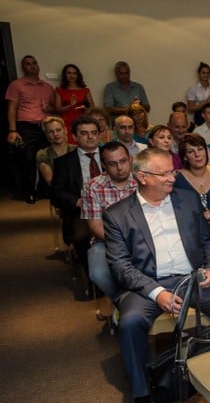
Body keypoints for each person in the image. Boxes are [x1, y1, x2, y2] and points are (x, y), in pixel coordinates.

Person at [103, 148, 210, 403]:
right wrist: (156, 293)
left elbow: (208, 241)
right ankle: (143, 398)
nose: (172, 177)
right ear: (142, 177)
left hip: (192, 278)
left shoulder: (187, 200)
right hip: (146, 284)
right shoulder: (117, 214)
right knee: (130, 323)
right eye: (165, 173)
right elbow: (120, 266)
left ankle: (180, 372)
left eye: (172, 171)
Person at [81, 141, 138, 304]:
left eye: (123, 161)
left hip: (141, 239)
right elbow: (96, 227)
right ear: (104, 165)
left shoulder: (142, 180)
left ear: (130, 159)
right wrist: (123, 243)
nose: (119, 168)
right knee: (98, 273)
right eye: (112, 164)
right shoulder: (93, 187)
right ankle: (121, 300)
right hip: (105, 242)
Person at [50, 115, 102, 257]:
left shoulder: (110, 156)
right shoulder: (64, 162)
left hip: (113, 208)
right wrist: (77, 201)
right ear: (74, 136)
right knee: (81, 238)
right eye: (84, 133)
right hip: (81, 212)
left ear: (99, 135)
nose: (90, 137)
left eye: (94, 133)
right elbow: (56, 193)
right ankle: (90, 268)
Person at [6, 55, 55, 203]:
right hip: (26, 126)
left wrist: (50, 108)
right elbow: (11, 108)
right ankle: (29, 192)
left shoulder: (47, 87)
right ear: (23, 67)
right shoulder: (16, 85)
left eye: (34, 63)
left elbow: (54, 108)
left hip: (45, 126)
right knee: (28, 159)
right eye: (28, 64)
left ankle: (44, 190)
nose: (32, 66)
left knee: (46, 157)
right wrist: (12, 130)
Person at [174, 134, 210, 223]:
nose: (197, 154)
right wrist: (201, 216)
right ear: (185, 157)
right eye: (191, 151)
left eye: (200, 149)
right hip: (192, 227)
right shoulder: (177, 179)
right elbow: (177, 211)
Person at [53, 63, 94, 143]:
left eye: (74, 73)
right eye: (69, 73)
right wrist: (70, 106)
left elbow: (92, 107)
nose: (72, 75)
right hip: (66, 122)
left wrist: (86, 108)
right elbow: (57, 109)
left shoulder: (85, 90)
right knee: (68, 144)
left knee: (83, 142)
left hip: (82, 121)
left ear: (78, 75)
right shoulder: (59, 90)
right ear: (64, 75)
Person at [36, 116, 74, 190]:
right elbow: (51, 182)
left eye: (58, 130)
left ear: (65, 130)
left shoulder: (77, 149)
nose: (55, 134)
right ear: (46, 135)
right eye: (50, 132)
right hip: (57, 192)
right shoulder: (43, 154)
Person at [186, 61, 210, 125]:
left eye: (208, 73)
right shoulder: (193, 89)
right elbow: (190, 109)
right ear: (199, 74)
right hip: (199, 118)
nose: (206, 75)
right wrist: (206, 102)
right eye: (203, 73)